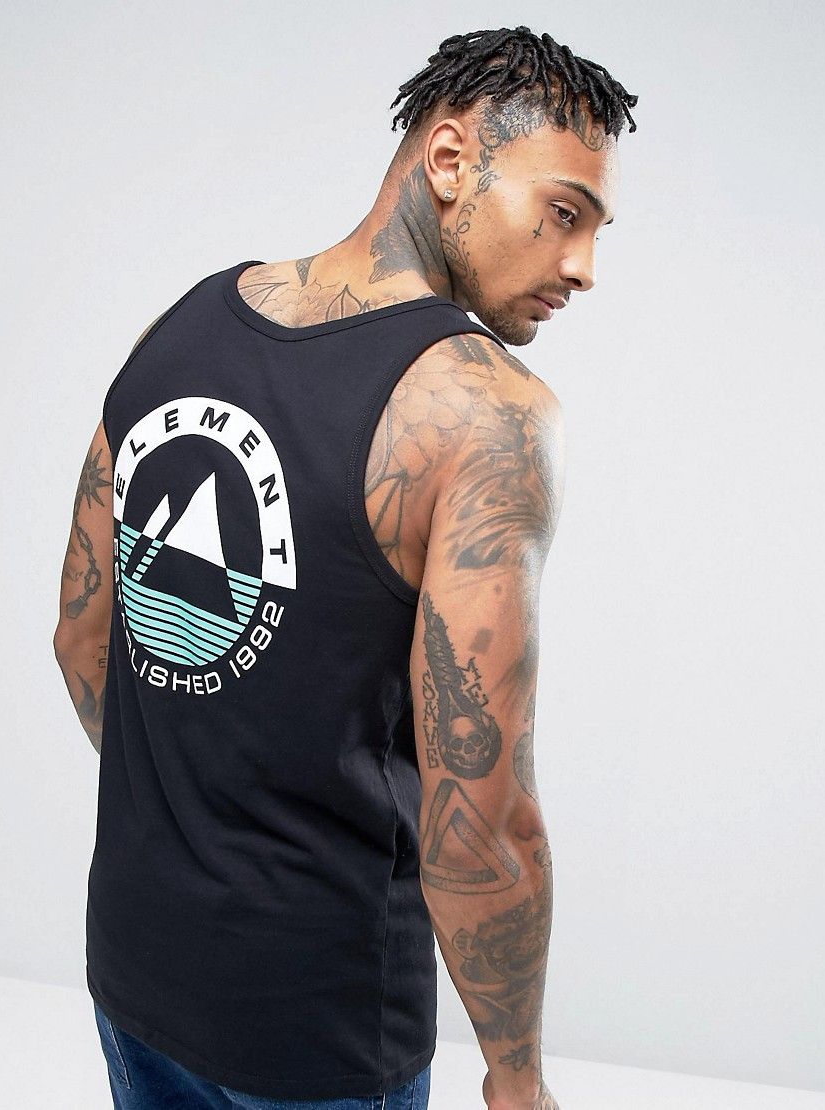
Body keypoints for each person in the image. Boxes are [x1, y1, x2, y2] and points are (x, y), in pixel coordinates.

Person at [52, 24, 637, 1110]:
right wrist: (516, 1077)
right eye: (565, 213)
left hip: (134, 968)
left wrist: (204, 816)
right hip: (316, 1033)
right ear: (451, 160)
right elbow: (483, 810)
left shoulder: (181, 326)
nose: (584, 268)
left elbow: (84, 638)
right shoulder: (485, 414)